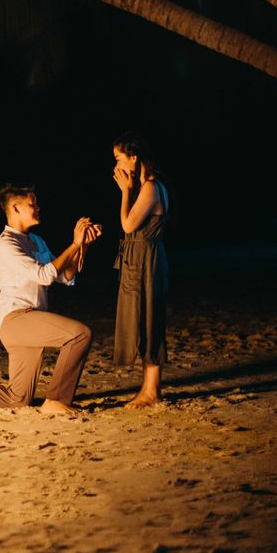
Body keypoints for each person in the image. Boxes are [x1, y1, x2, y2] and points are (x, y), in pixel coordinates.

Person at [0, 185, 101, 416]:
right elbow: (44, 275)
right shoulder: (5, 245)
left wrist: (83, 245)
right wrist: (73, 244)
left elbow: (65, 276)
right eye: (33, 204)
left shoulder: (36, 241)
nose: (38, 208)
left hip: (28, 321)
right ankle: (56, 400)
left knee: (18, 398)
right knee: (79, 334)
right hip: (16, 319)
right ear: (15, 207)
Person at [112, 131, 170, 408]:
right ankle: (148, 389)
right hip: (141, 258)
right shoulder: (146, 187)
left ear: (133, 158)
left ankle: (152, 391)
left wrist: (124, 192)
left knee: (150, 319)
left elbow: (128, 225)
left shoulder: (151, 187)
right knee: (144, 319)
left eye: (118, 158)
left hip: (148, 260)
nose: (116, 166)